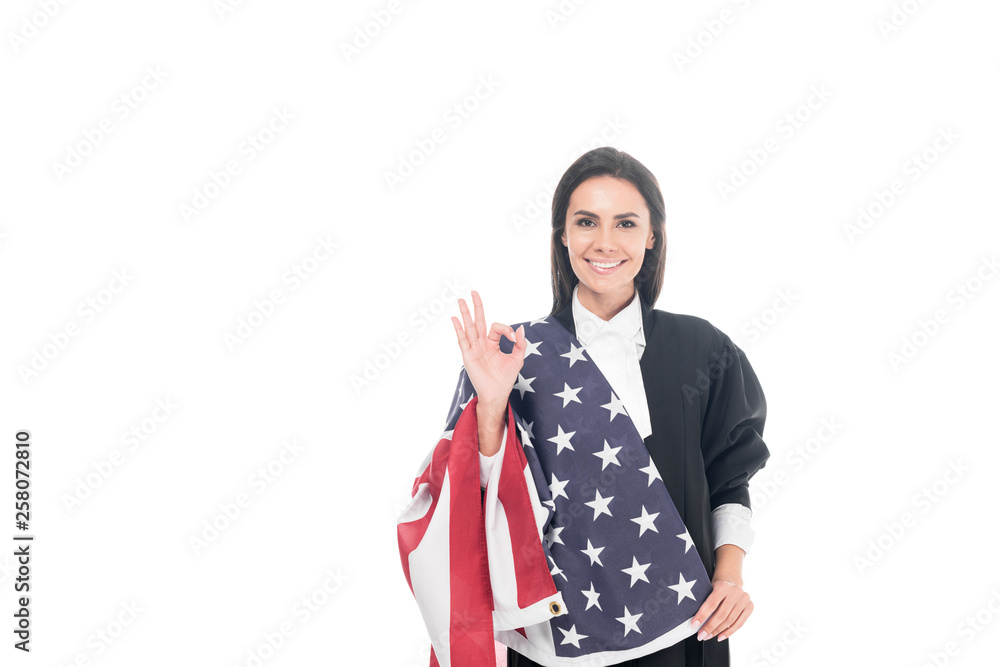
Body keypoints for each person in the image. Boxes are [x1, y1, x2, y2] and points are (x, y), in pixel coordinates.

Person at [448, 147, 771, 666]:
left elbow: (730, 479)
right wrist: (491, 403)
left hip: (685, 623)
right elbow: (480, 498)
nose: (604, 242)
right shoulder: (513, 354)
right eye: (586, 222)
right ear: (563, 237)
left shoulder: (704, 350)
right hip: (557, 635)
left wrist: (730, 578)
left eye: (625, 223)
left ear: (652, 236)